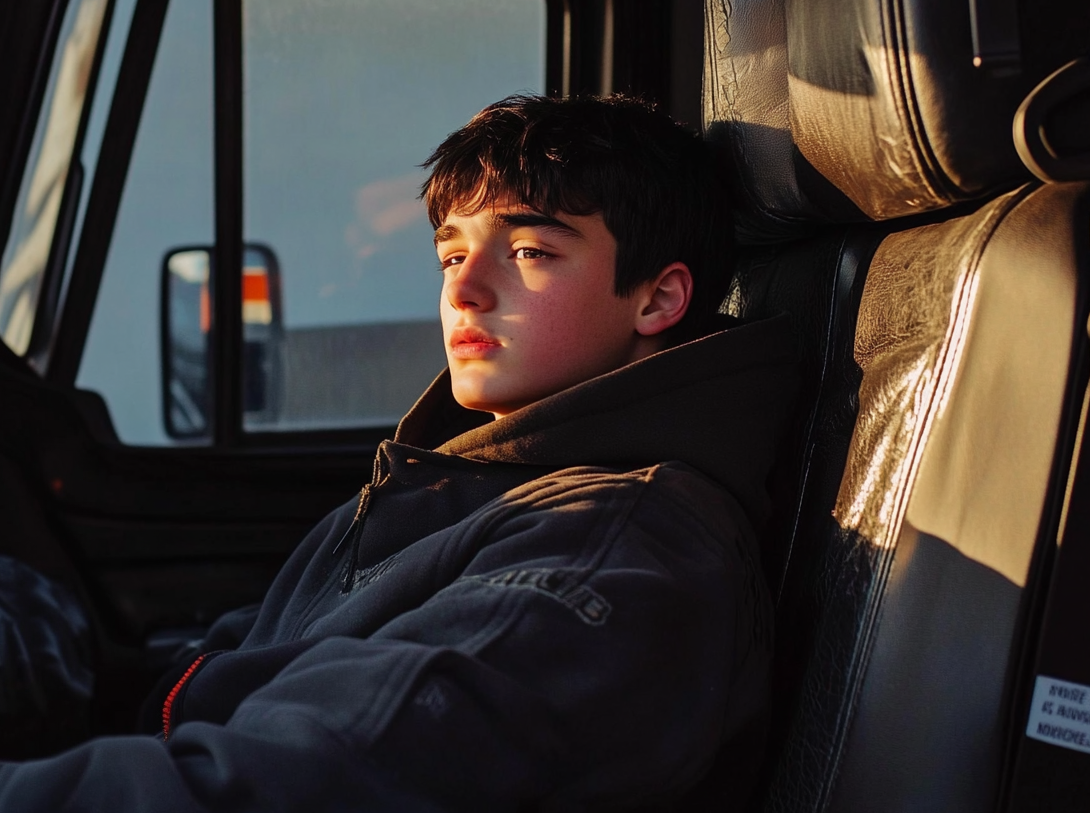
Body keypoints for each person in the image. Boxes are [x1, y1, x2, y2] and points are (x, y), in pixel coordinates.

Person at [0, 94, 796, 811]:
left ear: (658, 298)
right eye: (453, 255)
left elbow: (295, 780)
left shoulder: (608, 550)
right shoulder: (468, 479)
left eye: (529, 252)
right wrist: (69, 669)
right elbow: (257, 661)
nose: (464, 291)